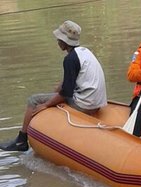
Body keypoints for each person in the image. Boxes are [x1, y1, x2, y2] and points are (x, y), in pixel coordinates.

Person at [0, 20, 107, 152]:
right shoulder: (84, 52)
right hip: (97, 103)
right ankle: (22, 138)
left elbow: (66, 93)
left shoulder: (70, 59)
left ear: (64, 41)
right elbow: (67, 82)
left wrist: (45, 104)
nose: (57, 41)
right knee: (52, 95)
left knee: (33, 100)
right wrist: (52, 94)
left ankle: (21, 140)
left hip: (85, 104)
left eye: (59, 39)